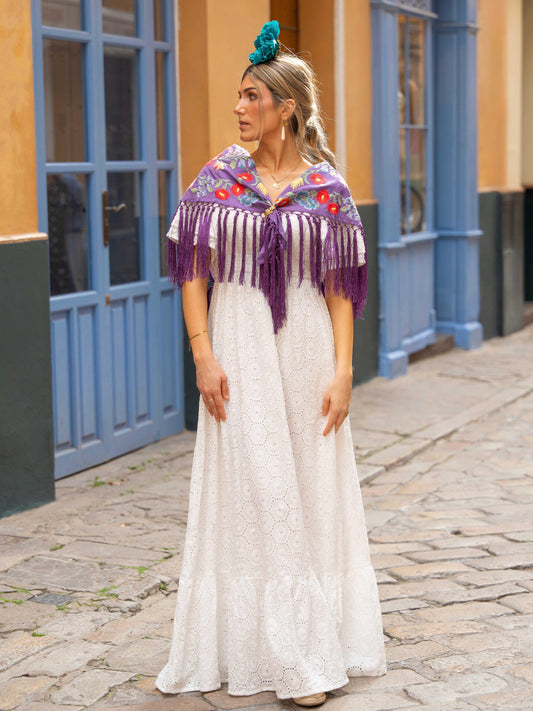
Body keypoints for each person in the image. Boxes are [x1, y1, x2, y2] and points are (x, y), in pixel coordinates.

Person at [156, 20, 387, 708]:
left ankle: (312, 637)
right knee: (257, 487)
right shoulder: (217, 177)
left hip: (307, 346)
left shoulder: (327, 188)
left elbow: (339, 285)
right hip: (238, 343)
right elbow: (192, 270)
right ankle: (291, 656)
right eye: (238, 95)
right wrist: (201, 351)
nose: (238, 107)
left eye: (251, 95)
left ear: (285, 108)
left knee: (308, 486)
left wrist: (344, 369)